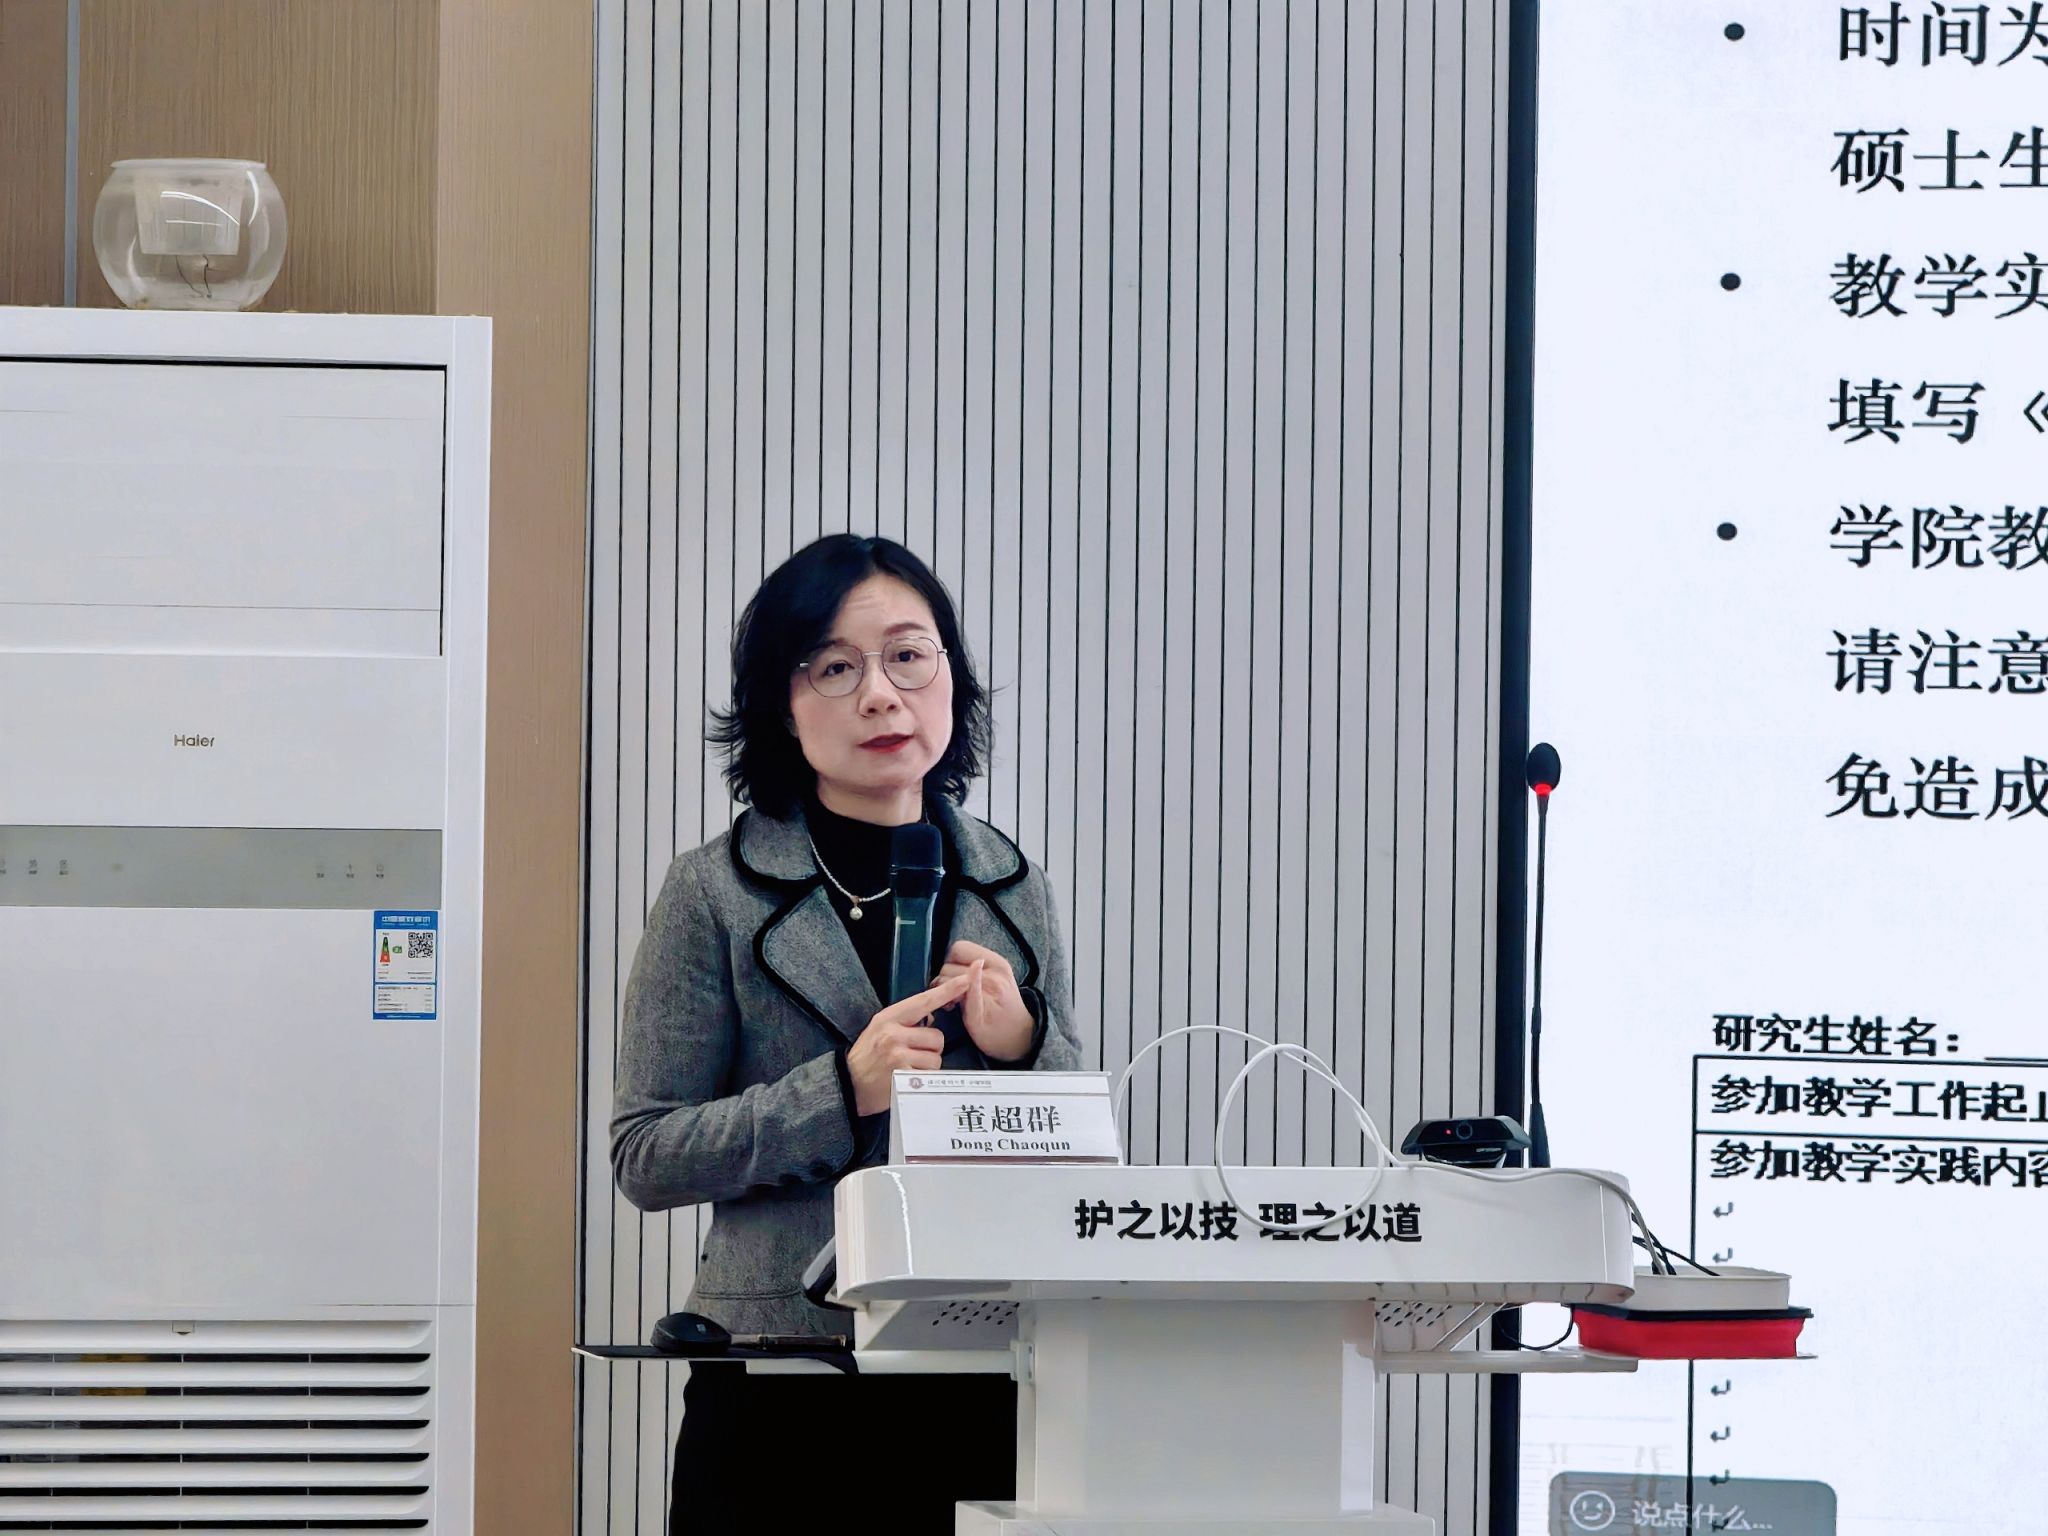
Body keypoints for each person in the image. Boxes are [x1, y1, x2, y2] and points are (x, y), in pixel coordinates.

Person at [611, 533, 1082, 1533]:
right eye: (833, 667)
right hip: (779, 1379)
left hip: (983, 1362)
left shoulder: (1013, 885)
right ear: (781, 706)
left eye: (908, 656)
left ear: (951, 677)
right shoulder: (712, 892)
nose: (880, 695)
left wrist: (1023, 1045)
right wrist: (837, 1090)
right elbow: (646, 1154)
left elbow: (1074, 1140)